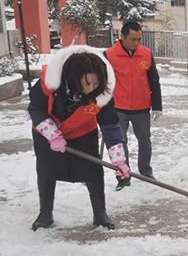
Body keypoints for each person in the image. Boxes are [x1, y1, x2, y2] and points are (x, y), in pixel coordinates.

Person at [28, 45, 131, 231]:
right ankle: (45, 213)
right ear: (74, 78)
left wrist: (119, 160)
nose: (91, 88)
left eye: (95, 83)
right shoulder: (50, 81)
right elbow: (35, 108)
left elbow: (110, 125)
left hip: (82, 132)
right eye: (86, 83)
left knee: (93, 171)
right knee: (46, 170)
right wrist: (52, 134)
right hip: (46, 132)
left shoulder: (102, 93)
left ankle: (100, 213)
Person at [105, 21, 162, 188]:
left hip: (141, 107)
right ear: (121, 37)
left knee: (145, 140)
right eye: (132, 39)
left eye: (139, 39)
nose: (136, 43)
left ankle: (145, 171)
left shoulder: (146, 53)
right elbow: (104, 82)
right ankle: (124, 175)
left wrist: (157, 106)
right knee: (119, 142)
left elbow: (154, 80)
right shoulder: (109, 55)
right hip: (118, 107)